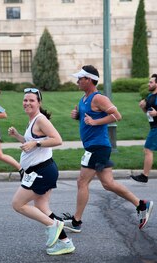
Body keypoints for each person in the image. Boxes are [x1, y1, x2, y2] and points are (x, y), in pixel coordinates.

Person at [62, 65, 153, 232]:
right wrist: (78, 116)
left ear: (89, 80)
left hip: (98, 147)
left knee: (82, 182)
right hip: (94, 146)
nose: (77, 81)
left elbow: (117, 116)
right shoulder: (83, 98)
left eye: (80, 79)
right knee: (108, 183)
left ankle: (76, 221)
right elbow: (86, 117)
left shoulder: (99, 98)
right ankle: (141, 205)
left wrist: (95, 122)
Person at [8, 87, 75, 255]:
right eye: (25, 100)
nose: (27, 103)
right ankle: (65, 242)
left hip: (42, 171)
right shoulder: (33, 120)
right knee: (42, 206)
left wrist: (35, 144)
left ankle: (54, 225)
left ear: (39, 103)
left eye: (32, 100)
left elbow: (57, 140)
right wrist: (17, 136)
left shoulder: (40, 120)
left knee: (18, 204)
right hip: (42, 170)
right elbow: (31, 142)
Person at [131, 74, 157, 183]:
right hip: (153, 127)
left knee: (148, 149)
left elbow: (155, 113)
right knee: (148, 150)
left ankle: (144, 176)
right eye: (149, 82)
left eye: (151, 82)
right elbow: (148, 113)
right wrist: (143, 108)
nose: (148, 84)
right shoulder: (150, 96)